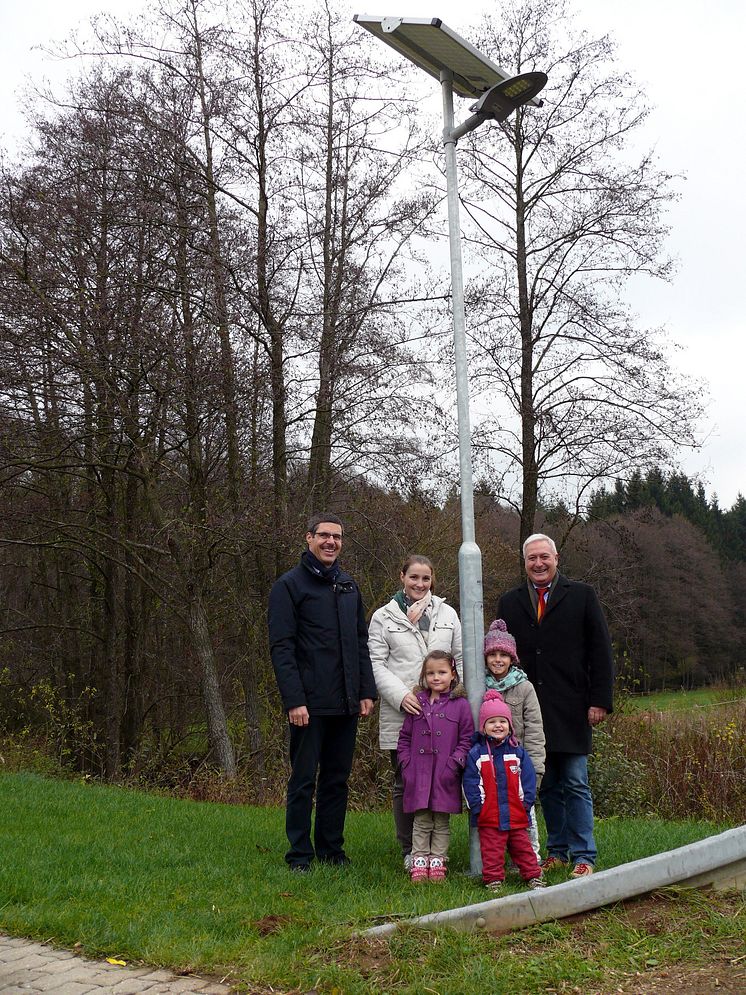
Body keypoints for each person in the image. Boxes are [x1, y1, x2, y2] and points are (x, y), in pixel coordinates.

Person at [496, 533, 614, 879]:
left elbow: (601, 651)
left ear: (556, 558)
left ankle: (584, 855)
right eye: (532, 558)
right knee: (544, 784)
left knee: (576, 781)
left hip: (573, 706)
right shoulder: (510, 601)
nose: (538, 563)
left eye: (544, 557)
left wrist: (599, 700)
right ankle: (557, 851)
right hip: (530, 711)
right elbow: (500, 656)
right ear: (525, 562)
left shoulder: (581, 595)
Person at [268, 513, 376, 872]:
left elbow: (360, 643)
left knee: (336, 780)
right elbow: (282, 648)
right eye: (324, 536)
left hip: (346, 703)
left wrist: (365, 691)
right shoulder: (289, 586)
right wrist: (294, 700)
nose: (331, 542)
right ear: (309, 538)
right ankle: (300, 854)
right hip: (308, 705)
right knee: (303, 781)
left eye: (337, 537)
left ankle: (332, 850)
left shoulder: (347, 586)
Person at [368, 555, 462, 870]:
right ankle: (410, 850)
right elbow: (376, 664)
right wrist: (401, 696)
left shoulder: (448, 614)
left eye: (425, 578)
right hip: (403, 712)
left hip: (443, 715)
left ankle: (438, 850)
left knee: (442, 779)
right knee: (405, 780)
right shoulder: (384, 617)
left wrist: (455, 697)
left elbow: (460, 658)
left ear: (432, 580)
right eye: (413, 578)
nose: (419, 584)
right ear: (402, 576)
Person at [396, 650, 474, 882]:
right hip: (418, 772)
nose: (436, 677)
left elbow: (467, 738)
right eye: (430, 673)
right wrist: (406, 764)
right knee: (421, 820)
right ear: (424, 676)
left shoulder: (460, 705)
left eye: (441, 672)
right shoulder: (417, 703)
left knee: (440, 821)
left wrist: (454, 764)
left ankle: (438, 861)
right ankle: (419, 860)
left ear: (453, 674)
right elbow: (405, 738)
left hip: (444, 773)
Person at [463, 690, 546, 891]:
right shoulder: (477, 754)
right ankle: (493, 880)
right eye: (492, 722)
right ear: (483, 727)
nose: (498, 725)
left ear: (509, 725)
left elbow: (527, 780)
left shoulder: (518, 753)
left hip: (516, 813)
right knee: (491, 850)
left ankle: (533, 876)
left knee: (523, 848)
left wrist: (525, 804)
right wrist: (478, 808)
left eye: (502, 721)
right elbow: (471, 783)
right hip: (489, 815)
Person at [484, 617, 545, 859]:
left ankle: (530, 859)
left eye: (503, 655)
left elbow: (534, 728)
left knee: (524, 813)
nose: (498, 659)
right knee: (494, 814)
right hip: (489, 765)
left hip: (518, 765)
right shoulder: (477, 686)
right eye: (492, 654)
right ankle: (495, 858)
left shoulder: (524, 687)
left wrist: (536, 768)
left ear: (512, 658)